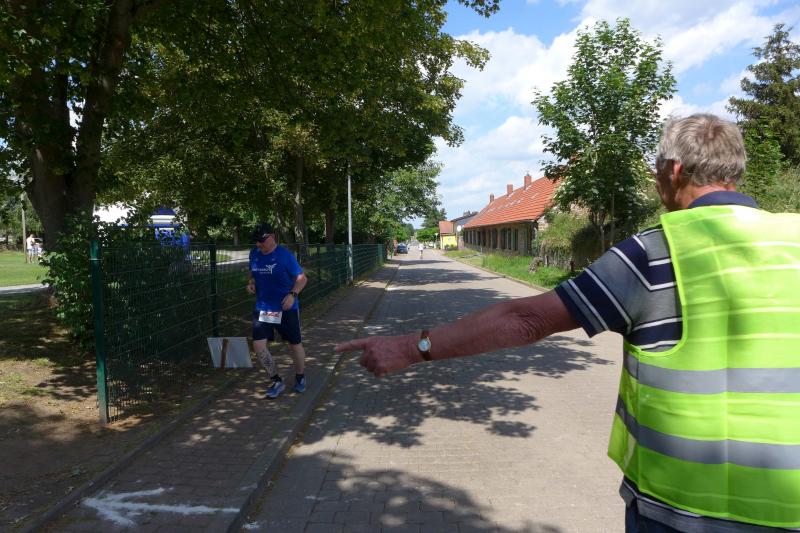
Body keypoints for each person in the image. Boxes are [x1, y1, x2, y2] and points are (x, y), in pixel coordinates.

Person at [336, 114, 800, 531]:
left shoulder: (655, 252)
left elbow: (526, 320)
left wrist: (411, 347)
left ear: (674, 171)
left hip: (684, 506)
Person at [247, 223, 308, 399]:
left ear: (272, 236)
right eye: (256, 241)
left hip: (285, 308)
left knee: (294, 345)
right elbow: (251, 273)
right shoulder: (254, 254)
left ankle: (300, 377)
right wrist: (250, 283)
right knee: (258, 346)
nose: (258, 244)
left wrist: (293, 295)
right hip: (264, 308)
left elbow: (302, 279)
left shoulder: (284, 255)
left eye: (261, 241)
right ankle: (276, 380)